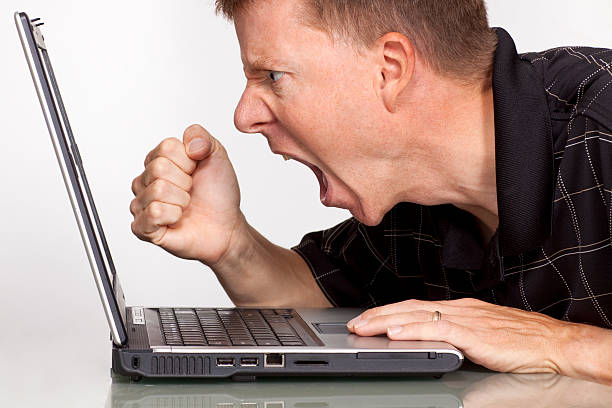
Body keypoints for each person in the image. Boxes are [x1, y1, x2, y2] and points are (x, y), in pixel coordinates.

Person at [129, 0, 612, 384]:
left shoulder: (604, 124)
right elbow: (316, 303)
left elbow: (545, 345)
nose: (244, 117)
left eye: (272, 76)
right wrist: (232, 245)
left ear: (390, 67)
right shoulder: (415, 195)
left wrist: (557, 344)